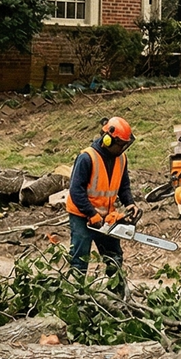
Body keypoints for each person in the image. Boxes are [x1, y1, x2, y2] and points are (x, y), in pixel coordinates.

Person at [66, 117, 135, 289]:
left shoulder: (121, 159)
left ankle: (118, 295)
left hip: (105, 215)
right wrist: (91, 213)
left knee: (114, 256)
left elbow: (123, 185)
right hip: (82, 215)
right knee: (80, 257)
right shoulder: (87, 158)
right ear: (108, 139)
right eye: (120, 144)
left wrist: (130, 203)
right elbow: (76, 191)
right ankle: (75, 296)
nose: (123, 148)